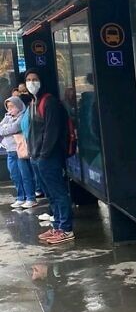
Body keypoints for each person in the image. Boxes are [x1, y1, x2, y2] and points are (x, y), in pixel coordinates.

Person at [25, 70, 74, 244]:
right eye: (28, 80)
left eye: (35, 79)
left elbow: (51, 131)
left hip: (48, 157)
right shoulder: (33, 102)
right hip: (37, 156)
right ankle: (57, 226)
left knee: (58, 192)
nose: (31, 83)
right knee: (51, 194)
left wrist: (43, 155)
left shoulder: (49, 102)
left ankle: (66, 229)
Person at [1, 96, 37, 209]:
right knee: (15, 176)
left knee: (25, 175)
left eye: (12, 106)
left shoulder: (22, 116)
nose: (10, 109)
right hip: (10, 151)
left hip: (20, 151)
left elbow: (15, 128)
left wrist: (6, 127)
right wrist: (7, 126)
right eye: (8, 107)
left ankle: (30, 198)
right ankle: (21, 197)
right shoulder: (7, 116)